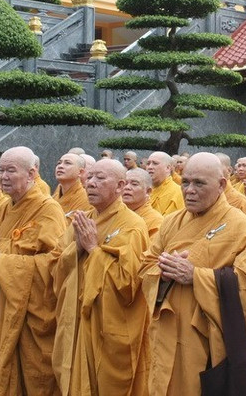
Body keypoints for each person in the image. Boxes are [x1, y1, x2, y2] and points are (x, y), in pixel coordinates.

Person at [139, 152, 246, 395]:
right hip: (167, 333)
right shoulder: (171, 222)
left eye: (199, 183)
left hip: (209, 341)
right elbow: (146, 265)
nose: (189, 190)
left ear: (222, 185)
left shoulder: (239, 225)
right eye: (186, 182)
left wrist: (197, 276)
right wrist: (163, 270)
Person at [0, 147, 65, 395]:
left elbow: (56, 261)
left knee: (30, 378)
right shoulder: (1, 209)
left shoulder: (48, 209)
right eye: (1, 170)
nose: (4, 177)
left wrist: (4, 264)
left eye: (11, 170)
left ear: (32, 173)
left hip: (29, 312)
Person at [53, 158, 150, 395]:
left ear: (119, 186)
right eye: (90, 178)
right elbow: (57, 266)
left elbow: (129, 284)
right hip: (76, 319)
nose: (91, 184)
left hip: (106, 326)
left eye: (100, 178)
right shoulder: (84, 218)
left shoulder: (132, 225)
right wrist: (77, 248)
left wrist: (93, 250)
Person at [123, 167, 163, 239]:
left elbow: (152, 249)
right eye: (124, 183)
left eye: (134, 184)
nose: (127, 187)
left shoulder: (155, 221)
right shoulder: (113, 214)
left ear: (148, 191)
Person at [214, 152, 246, 220]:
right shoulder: (205, 197)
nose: (240, 169)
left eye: (217, 167)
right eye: (239, 166)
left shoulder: (239, 200)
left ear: (229, 170)